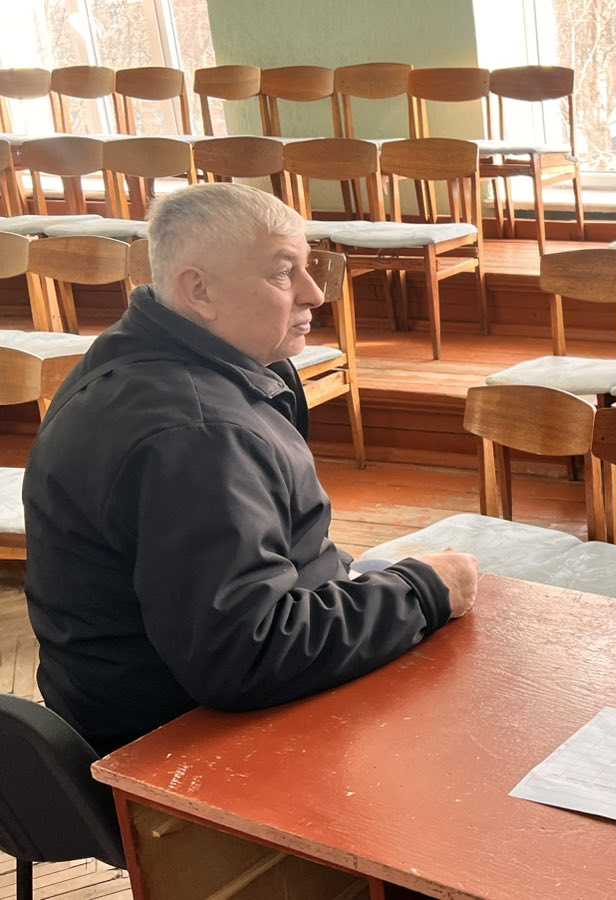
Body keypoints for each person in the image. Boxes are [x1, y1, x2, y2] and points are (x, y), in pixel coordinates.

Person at [23, 183, 479, 755]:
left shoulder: (145, 353)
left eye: (310, 267)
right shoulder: (199, 433)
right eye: (283, 272)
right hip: (176, 742)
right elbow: (245, 654)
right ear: (199, 290)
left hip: (160, 697)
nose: (314, 293)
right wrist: (421, 592)